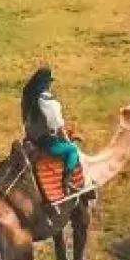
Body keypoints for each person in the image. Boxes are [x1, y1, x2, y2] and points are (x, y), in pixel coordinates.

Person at [21, 66, 83, 199]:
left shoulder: (28, 98)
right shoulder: (48, 102)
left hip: (31, 139)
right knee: (72, 150)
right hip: (46, 143)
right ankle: (66, 181)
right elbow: (58, 127)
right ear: (46, 83)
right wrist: (66, 140)